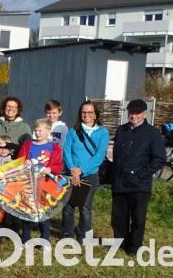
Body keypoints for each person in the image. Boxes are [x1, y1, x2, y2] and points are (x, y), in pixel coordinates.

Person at [109, 99, 166, 256]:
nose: (133, 116)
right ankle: (120, 244)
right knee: (119, 218)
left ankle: (133, 248)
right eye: (131, 113)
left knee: (138, 220)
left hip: (139, 185)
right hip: (120, 183)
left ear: (144, 114)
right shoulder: (122, 130)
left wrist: (141, 174)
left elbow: (159, 159)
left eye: (137, 113)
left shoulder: (152, 134)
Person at [62, 100, 109, 241]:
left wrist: (81, 170)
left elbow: (99, 156)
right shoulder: (73, 131)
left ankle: (83, 236)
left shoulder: (102, 132)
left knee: (85, 207)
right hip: (71, 173)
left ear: (95, 115)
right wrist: (72, 169)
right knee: (68, 206)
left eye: (90, 112)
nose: (86, 115)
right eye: (84, 112)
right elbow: (66, 151)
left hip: (90, 175)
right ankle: (67, 233)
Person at [16, 118, 64, 243]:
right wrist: (23, 163)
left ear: (48, 131)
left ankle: (44, 241)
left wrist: (49, 169)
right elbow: (19, 162)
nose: (37, 133)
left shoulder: (54, 148)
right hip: (28, 185)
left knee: (44, 214)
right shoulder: (28, 145)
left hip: (45, 186)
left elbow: (58, 166)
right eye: (36, 130)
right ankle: (25, 238)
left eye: (40, 131)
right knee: (27, 212)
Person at [0, 96, 32, 162]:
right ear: (4, 108)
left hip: (16, 168)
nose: (11, 109)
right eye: (8, 106)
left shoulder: (25, 127)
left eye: (14, 107)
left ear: (18, 109)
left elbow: (28, 148)